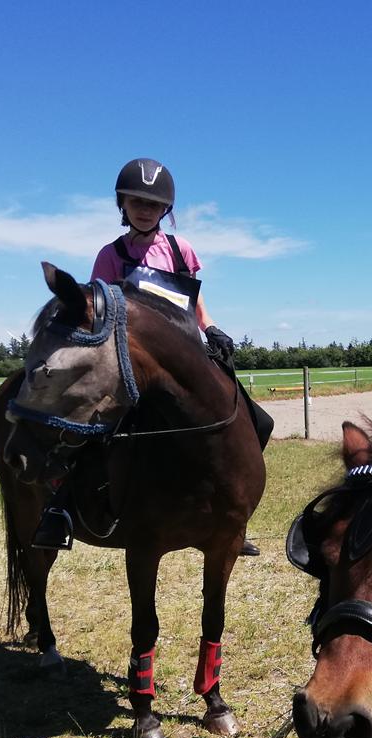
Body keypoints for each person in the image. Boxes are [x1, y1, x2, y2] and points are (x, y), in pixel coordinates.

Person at [90, 157, 270, 556]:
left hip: (186, 353)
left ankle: (232, 516)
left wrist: (212, 328)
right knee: (99, 429)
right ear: (123, 204)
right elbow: (102, 311)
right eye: (137, 201)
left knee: (256, 420)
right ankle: (77, 507)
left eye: (153, 204)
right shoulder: (110, 255)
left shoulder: (178, 247)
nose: (145, 209)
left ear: (165, 210)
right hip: (135, 360)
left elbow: (195, 300)